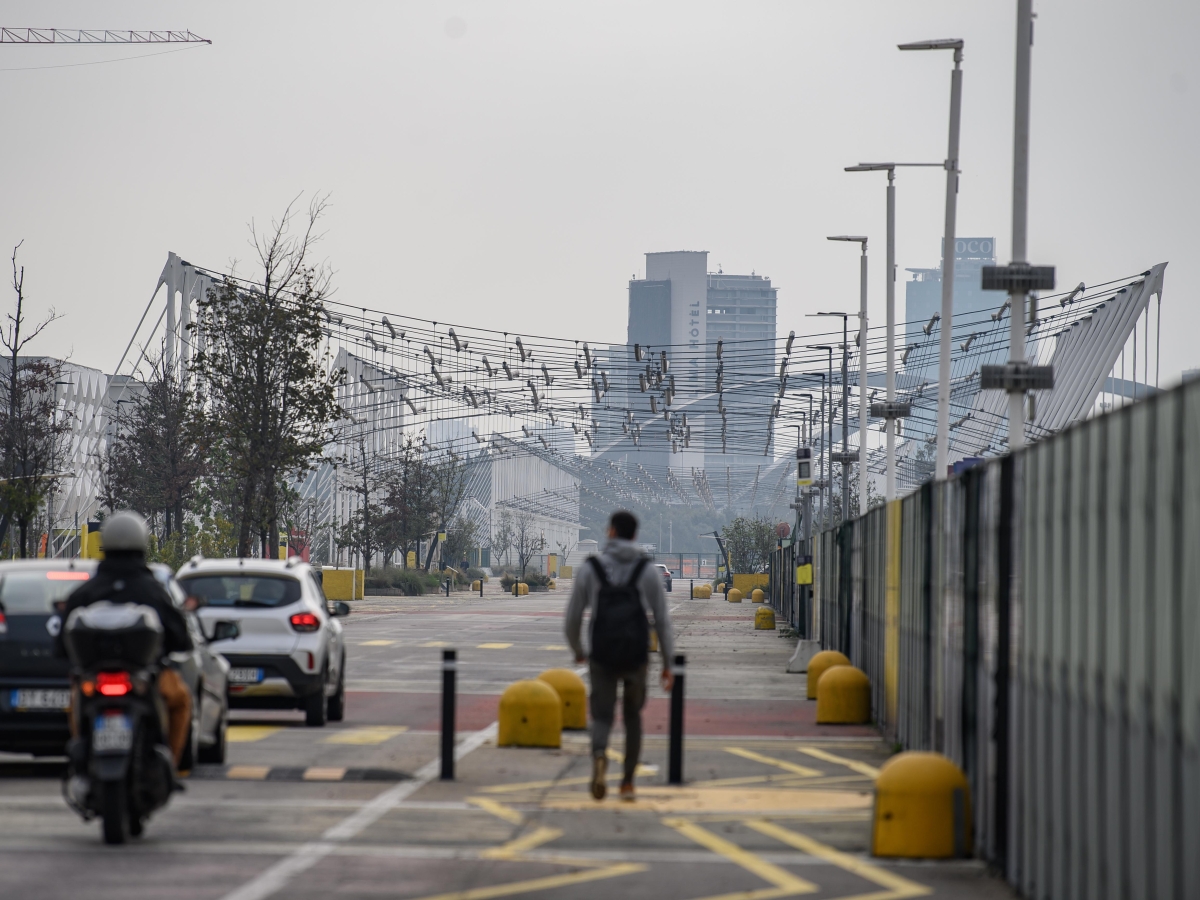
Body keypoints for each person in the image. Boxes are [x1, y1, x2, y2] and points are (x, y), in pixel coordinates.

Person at [56, 511, 195, 770]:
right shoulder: (153, 590)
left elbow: (63, 642)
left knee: (76, 703)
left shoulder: (85, 592)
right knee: (181, 701)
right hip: (145, 678)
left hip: (94, 679)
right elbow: (180, 637)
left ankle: (82, 760)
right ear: (142, 544)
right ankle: (172, 768)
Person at [565, 510, 674, 802]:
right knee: (632, 717)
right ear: (635, 535)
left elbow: (573, 617)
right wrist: (667, 664)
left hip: (601, 654)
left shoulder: (591, 568)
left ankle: (600, 755)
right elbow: (662, 621)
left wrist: (578, 650)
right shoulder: (647, 570)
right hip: (636, 654)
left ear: (611, 532)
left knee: (602, 716)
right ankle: (627, 782)